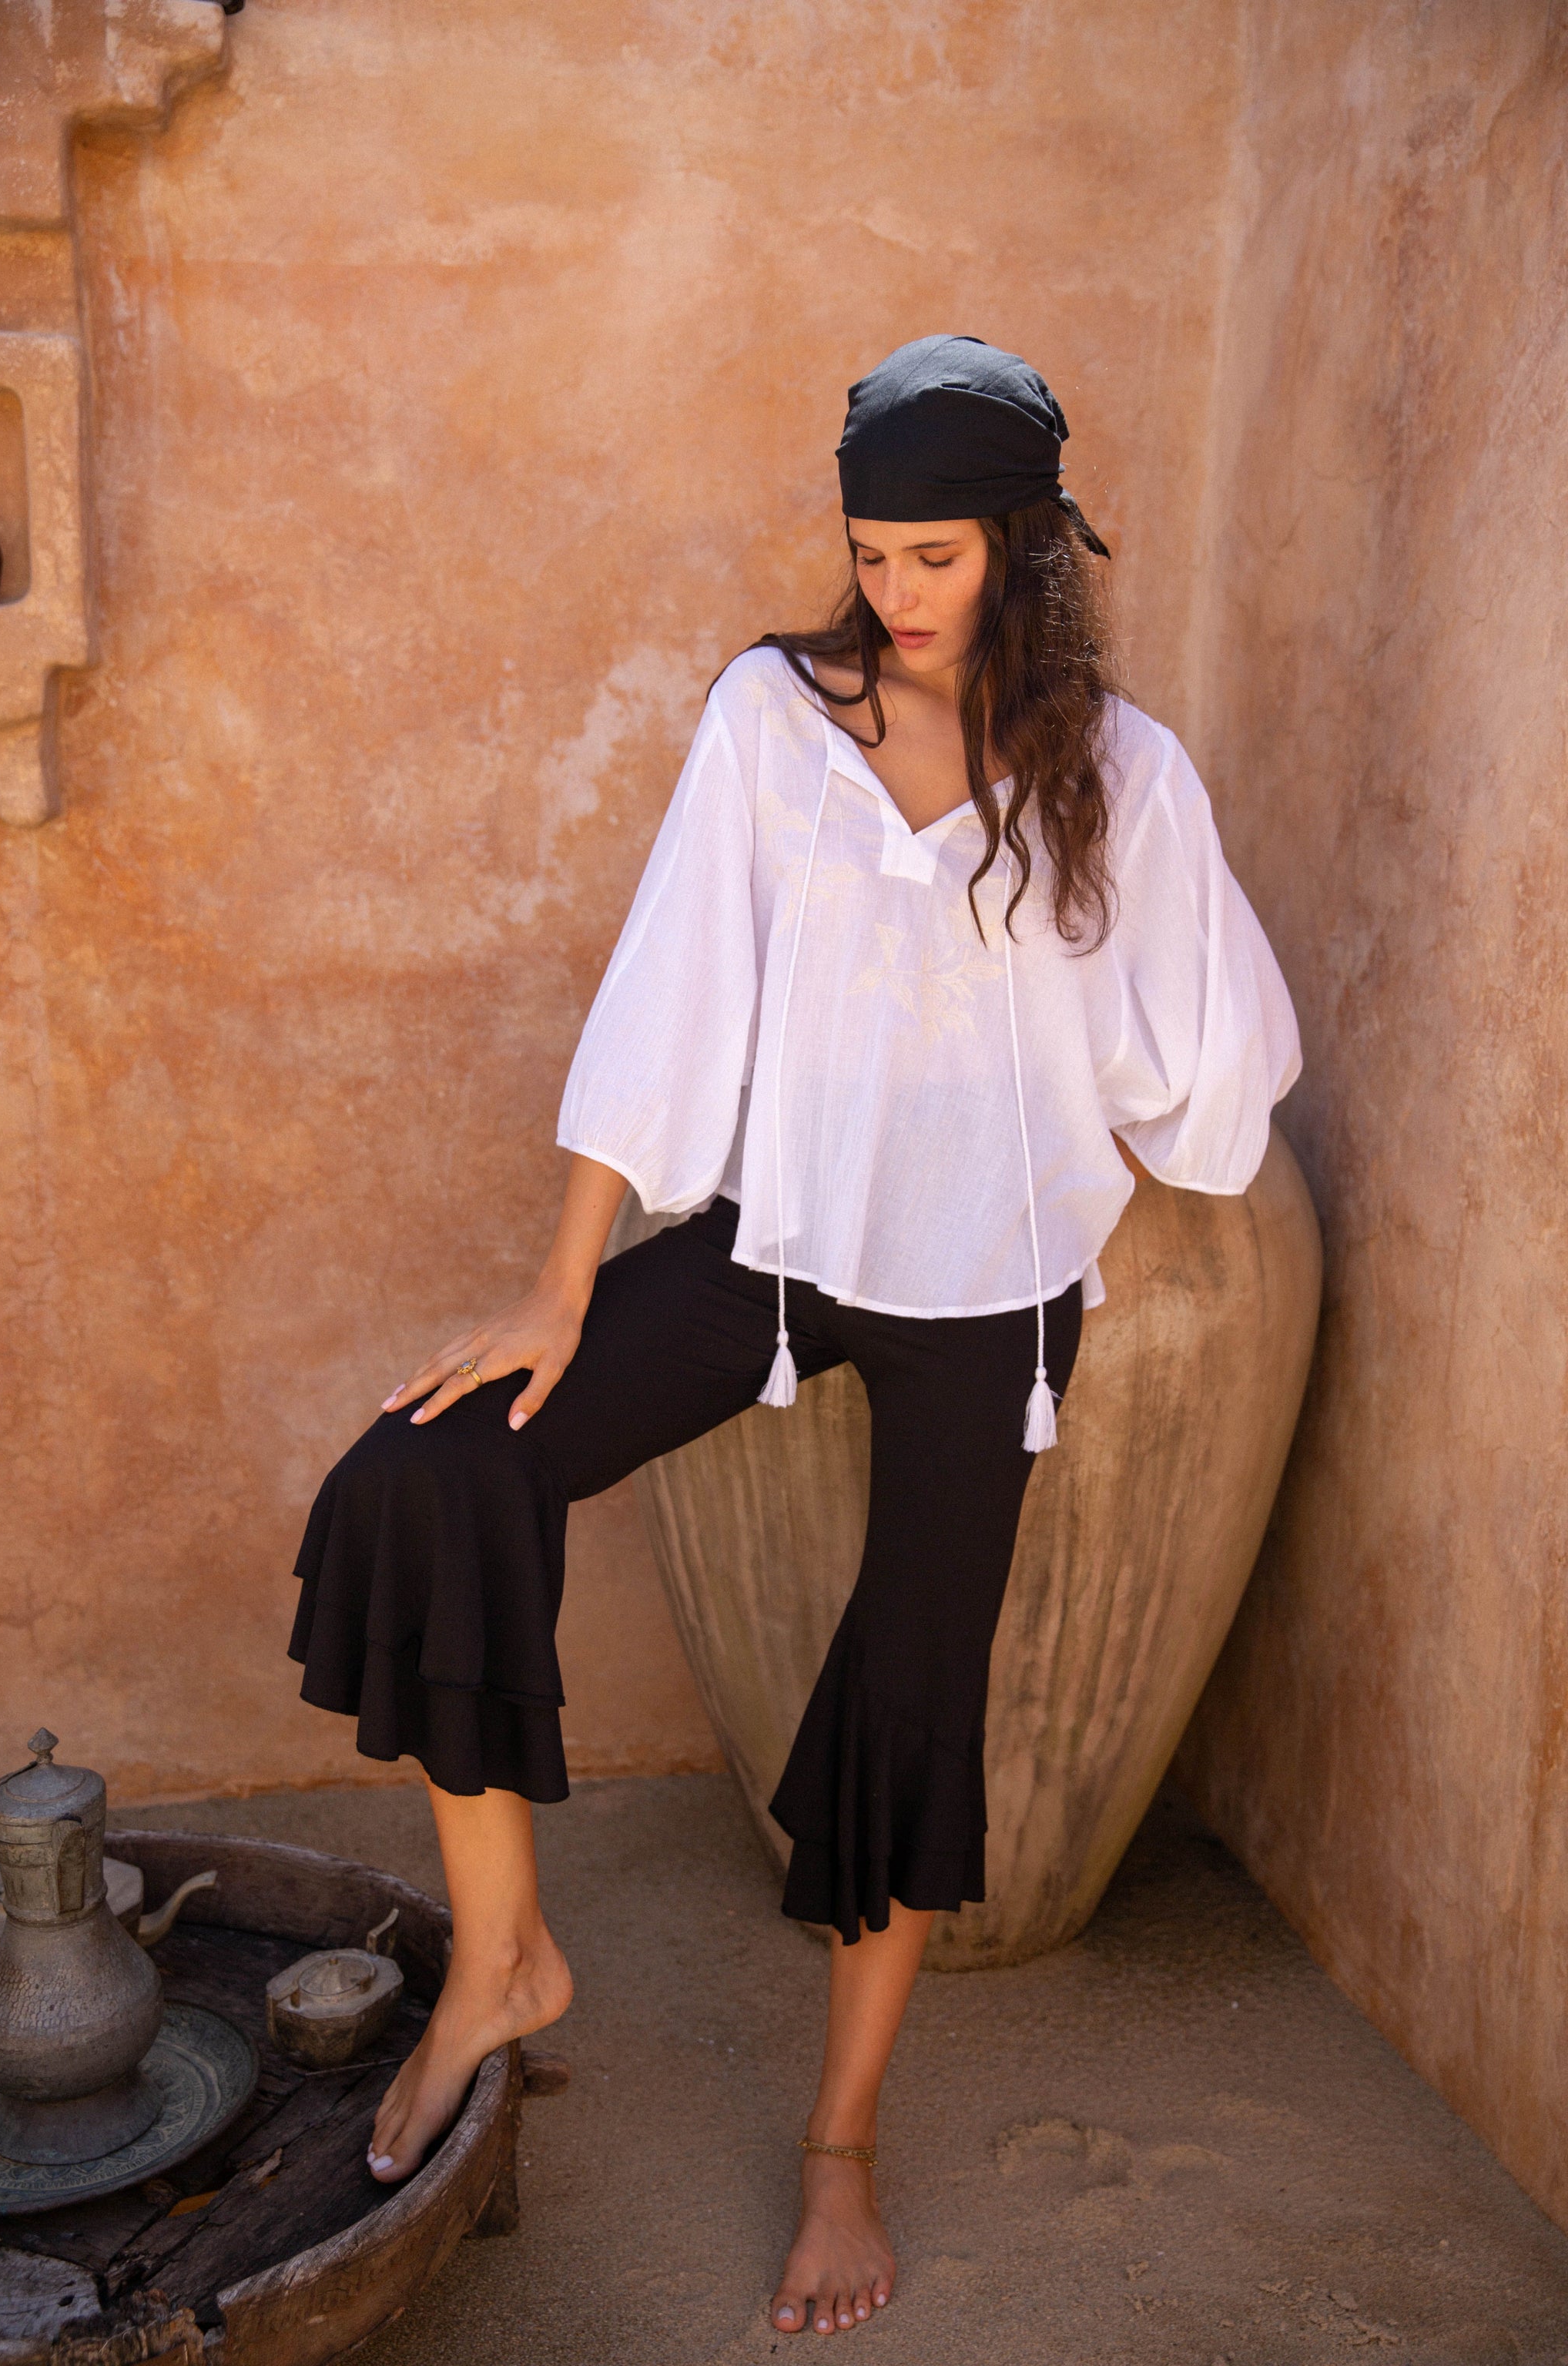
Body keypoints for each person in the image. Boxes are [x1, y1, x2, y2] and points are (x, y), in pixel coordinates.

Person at [288, 333, 1301, 2338]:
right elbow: (672, 991)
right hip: (785, 1251)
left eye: (938, 555)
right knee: (430, 1469)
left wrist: (1067, 1133)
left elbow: (1216, 1058)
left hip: (993, 1303)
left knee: (904, 1704)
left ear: (1023, 548)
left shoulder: (1125, 772)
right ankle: (502, 1960)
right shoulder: (776, 718)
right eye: (872, 551)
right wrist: (564, 1281)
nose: (898, 591)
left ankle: (841, 2150)